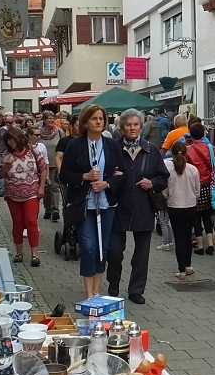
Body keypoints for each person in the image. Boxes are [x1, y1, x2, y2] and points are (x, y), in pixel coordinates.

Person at [60, 105, 125, 299]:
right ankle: (88, 293)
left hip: (107, 204)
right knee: (88, 247)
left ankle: (96, 291)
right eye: (95, 118)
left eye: (101, 118)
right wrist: (85, 176)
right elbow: (64, 175)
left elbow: (122, 173)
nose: (99, 122)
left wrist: (107, 183)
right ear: (86, 122)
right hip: (84, 205)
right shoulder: (75, 145)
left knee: (102, 248)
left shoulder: (112, 145)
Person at [106, 109, 169, 303]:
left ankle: (136, 290)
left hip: (143, 206)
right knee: (115, 251)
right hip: (118, 206)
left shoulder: (152, 150)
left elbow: (163, 177)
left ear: (141, 127)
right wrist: (111, 176)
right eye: (128, 125)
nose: (132, 128)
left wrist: (153, 183)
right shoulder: (113, 148)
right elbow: (103, 173)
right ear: (122, 126)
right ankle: (113, 284)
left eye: (135, 125)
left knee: (141, 254)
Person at [0, 126, 47, 266]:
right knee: (17, 222)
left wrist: (41, 187)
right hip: (13, 193)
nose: (11, 143)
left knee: (31, 221)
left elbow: (43, 168)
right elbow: (0, 174)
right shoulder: (7, 154)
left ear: (18, 139)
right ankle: (19, 252)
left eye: (12, 140)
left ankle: (35, 254)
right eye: (8, 141)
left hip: (32, 192)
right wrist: (6, 167)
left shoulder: (32, 150)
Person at [165, 141, 200, 280]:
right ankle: (188, 265)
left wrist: (168, 198)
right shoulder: (193, 170)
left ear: (172, 154)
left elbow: (164, 190)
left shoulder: (168, 170)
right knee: (187, 236)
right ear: (186, 153)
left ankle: (181, 270)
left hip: (174, 206)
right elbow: (197, 190)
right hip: (190, 205)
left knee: (179, 238)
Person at [186, 122, 215, 255]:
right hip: (209, 186)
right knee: (207, 215)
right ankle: (210, 243)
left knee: (196, 216)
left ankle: (200, 245)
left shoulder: (188, 150)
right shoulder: (211, 148)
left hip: (195, 187)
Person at [40, 113, 62, 221]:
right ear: (44, 120)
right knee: (46, 187)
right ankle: (47, 209)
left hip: (55, 163)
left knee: (54, 187)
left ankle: (55, 210)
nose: (52, 120)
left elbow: (63, 146)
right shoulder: (39, 132)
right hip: (42, 164)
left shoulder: (59, 132)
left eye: (53, 118)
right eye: (49, 118)